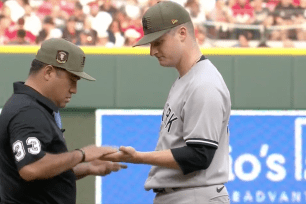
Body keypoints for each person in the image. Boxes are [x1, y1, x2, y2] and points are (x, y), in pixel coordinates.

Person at [103, 1, 231, 204]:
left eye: (158, 42)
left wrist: (139, 157)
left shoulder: (204, 84)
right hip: (182, 194)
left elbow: (200, 155)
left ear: (182, 33)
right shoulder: (187, 78)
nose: (152, 51)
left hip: (195, 195)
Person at [0, 38, 126, 204]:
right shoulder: (28, 111)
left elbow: (44, 173)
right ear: (49, 72)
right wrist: (81, 154)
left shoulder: (33, 107)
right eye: (72, 80)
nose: (74, 89)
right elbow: (31, 168)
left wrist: (87, 168)